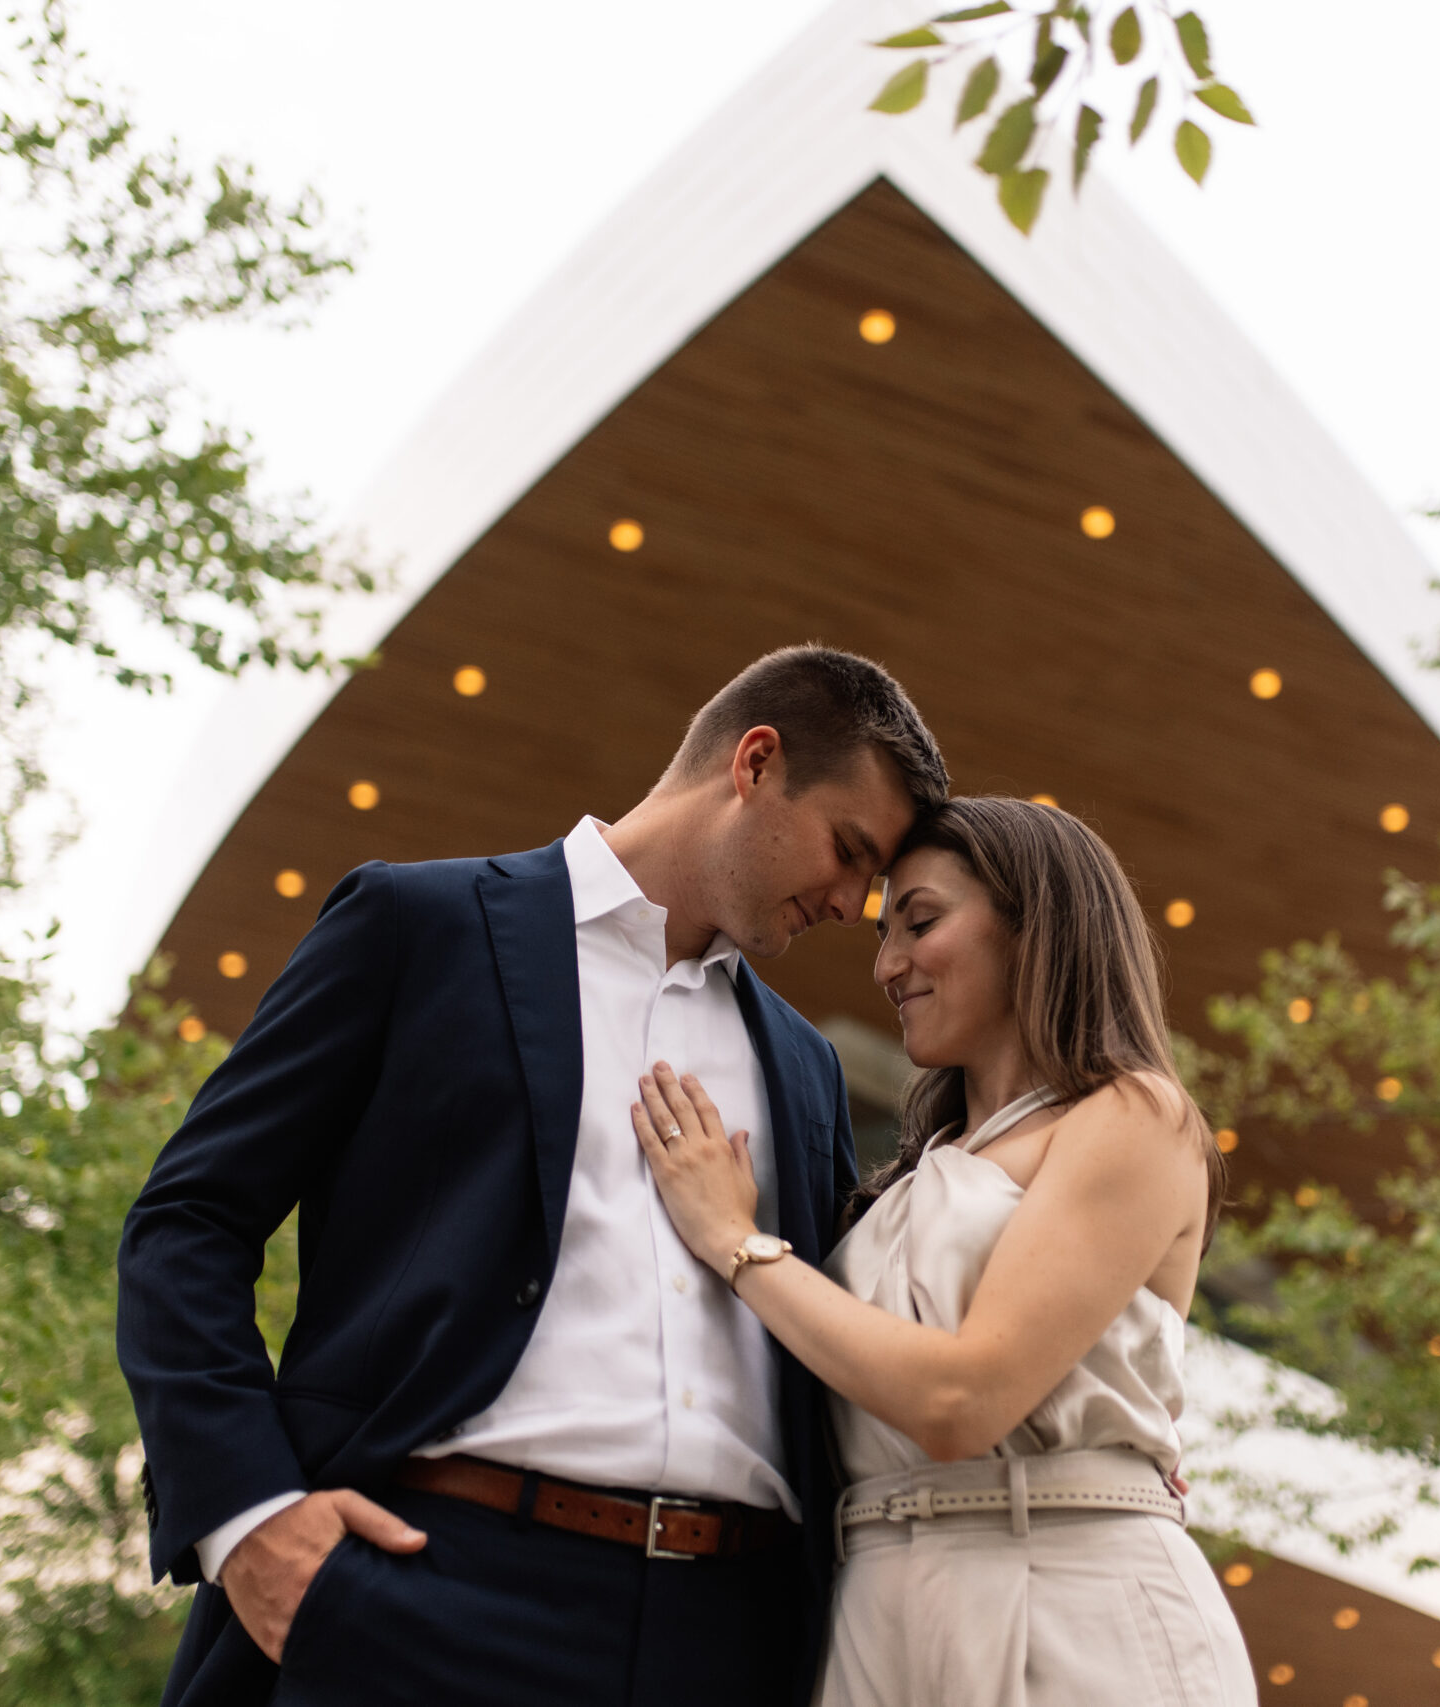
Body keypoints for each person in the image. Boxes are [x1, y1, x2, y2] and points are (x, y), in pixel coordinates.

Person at [116, 645, 949, 1707]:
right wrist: (250, 1523)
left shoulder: (805, 1064)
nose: (851, 902)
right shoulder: (415, 929)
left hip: (731, 1639)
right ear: (754, 764)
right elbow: (187, 1221)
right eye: (848, 850)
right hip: (427, 1595)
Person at [631, 796, 1258, 1706]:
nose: (887, 964)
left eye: (920, 921)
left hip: (1072, 1594)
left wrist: (735, 1240)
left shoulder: (1130, 1115)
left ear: (1035, 925)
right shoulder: (908, 1178)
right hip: (873, 1607)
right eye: (887, 933)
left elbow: (963, 1399)